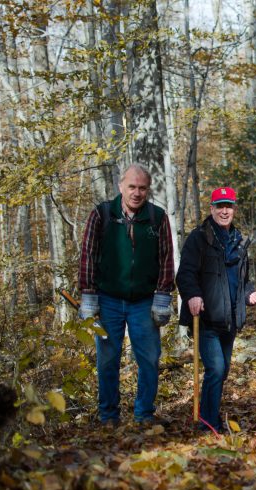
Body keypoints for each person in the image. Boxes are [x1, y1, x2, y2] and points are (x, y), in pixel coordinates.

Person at [79, 164, 174, 427]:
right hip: (108, 299)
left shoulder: (157, 217)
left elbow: (166, 258)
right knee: (108, 360)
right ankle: (109, 415)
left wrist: (163, 294)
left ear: (148, 189)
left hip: (144, 302)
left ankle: (144, 413)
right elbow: (88, 254)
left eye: (142, 188)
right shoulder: (102, 214)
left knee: (149, 359)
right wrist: (88, 296)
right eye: (132, 186)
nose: (137, 193)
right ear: (121, 186)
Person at [175, 187, 256, 433]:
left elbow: (242, 279)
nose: (225, 211)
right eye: (220, 206)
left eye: (229, 206)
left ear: (234, 209)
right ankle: (208, 423)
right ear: (212, 209)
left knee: (222, 371)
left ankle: (208, 414)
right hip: (205, 319)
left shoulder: (239, 240)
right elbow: (185, 274)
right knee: (215, 369)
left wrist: (249, 294)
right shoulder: (198, 238)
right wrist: (192, 295)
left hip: (230, 319)